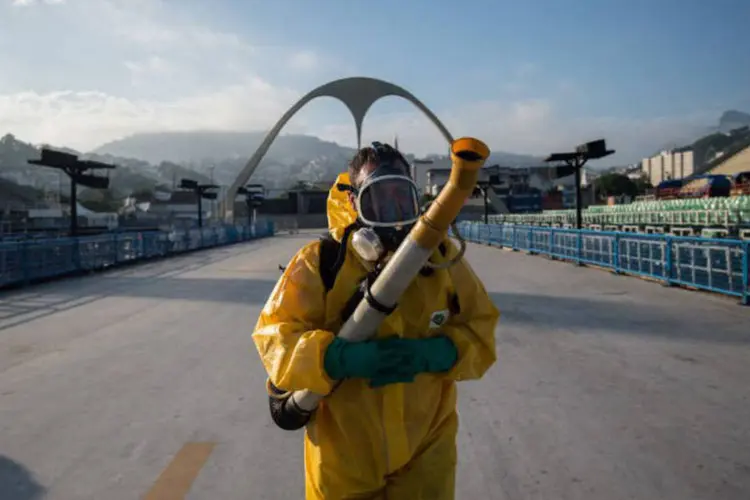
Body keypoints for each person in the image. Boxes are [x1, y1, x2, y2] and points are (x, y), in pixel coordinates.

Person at [252, 141, 499, 499]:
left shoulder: (441, 260)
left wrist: (440, 353)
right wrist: (336, 357)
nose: (395, 212)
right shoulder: (322, 262)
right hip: (344, 453)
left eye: (403, 198)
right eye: (380, 201)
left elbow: (481, 327)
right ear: (355, 203)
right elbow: (275, 337)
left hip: (427, 443)